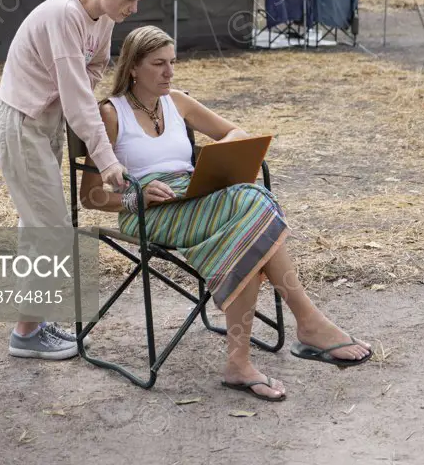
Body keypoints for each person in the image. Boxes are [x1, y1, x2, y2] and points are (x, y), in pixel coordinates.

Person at [80, 25, 372, 402]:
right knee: (254, 204)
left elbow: (236, 133)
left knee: (248, 217)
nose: (169, 72)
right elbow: (90, 197)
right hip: (147, 210)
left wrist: (220, 157)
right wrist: (137, 197)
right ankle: (307, 323)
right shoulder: (110, 113)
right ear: (133, 68)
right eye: (158, 64)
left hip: (199, 198)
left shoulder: (178, 102)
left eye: (173, 62)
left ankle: (242, 362)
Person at [0, 0, 152, 360]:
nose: (134, 8)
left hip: (44, 124)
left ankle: (32, 324)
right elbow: (79, 99)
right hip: (22, 123)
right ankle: (26, 334)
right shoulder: (65, 14)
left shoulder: (103, 21)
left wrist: (77, 88)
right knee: (53, 231)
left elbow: (94, 68)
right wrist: (107, 159)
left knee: (38, 229)